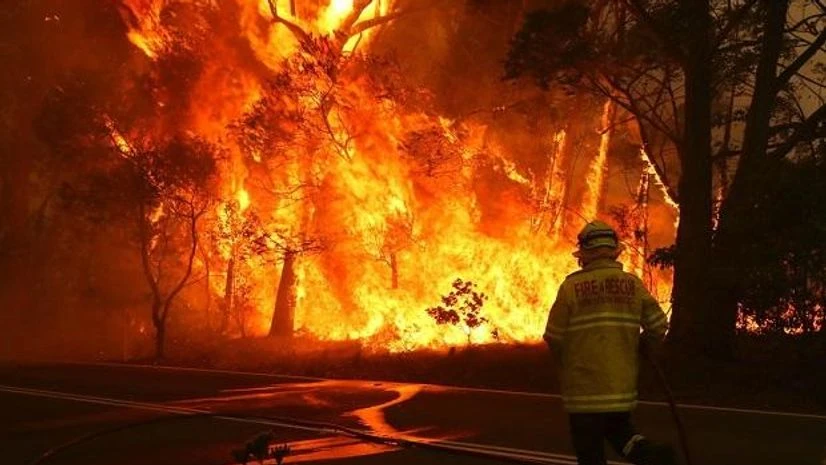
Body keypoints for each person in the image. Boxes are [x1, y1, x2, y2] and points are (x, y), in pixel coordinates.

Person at [544, 220, 676, 465]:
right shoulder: (632, 284)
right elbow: (658, 326)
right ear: (614, 252)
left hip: (583, 393)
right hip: (620, 388)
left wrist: (565, 365)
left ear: (583, 255)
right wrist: (640, 347)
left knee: (590, 453)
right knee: (622, 437)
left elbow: (553, 335)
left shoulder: (571, 287)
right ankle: (651, 455)